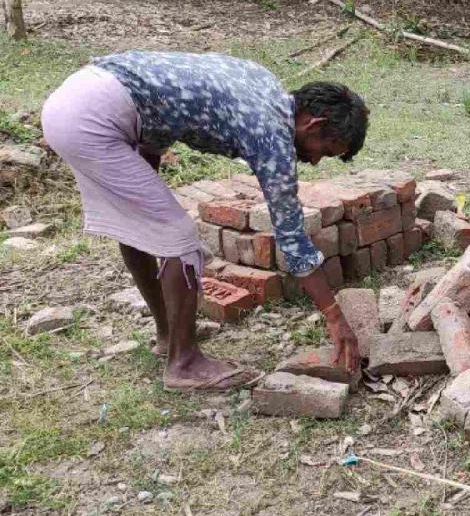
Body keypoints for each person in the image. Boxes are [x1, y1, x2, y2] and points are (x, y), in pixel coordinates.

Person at [41, 52, 369, 392]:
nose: (314, 161)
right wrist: (334, 316)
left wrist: (147, 180)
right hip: (92, 120)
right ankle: (184, 364)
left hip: (81, 94)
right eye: (324, 150)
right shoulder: (271, 133)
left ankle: (169, 337)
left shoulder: (262, 80)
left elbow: (165, 104)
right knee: (179, 238)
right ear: (312, 124)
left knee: (141, 225)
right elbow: (292, 239)